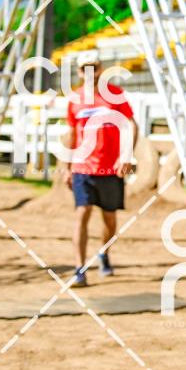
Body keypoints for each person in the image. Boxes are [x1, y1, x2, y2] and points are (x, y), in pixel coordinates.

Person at [63, 52, 137, 287]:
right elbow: (71, 133)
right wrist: (66, 167)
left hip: (110, 168)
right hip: (82, 167)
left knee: (109, 217)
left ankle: (104, 253)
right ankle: (79, 269)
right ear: (78, 72)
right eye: (84, 68)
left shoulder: (115, 95)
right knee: (82, 212)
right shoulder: (75, 99)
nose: (89, 73)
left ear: (100, 69)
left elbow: (130, 124)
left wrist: (126, 155)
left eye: (93, 67)